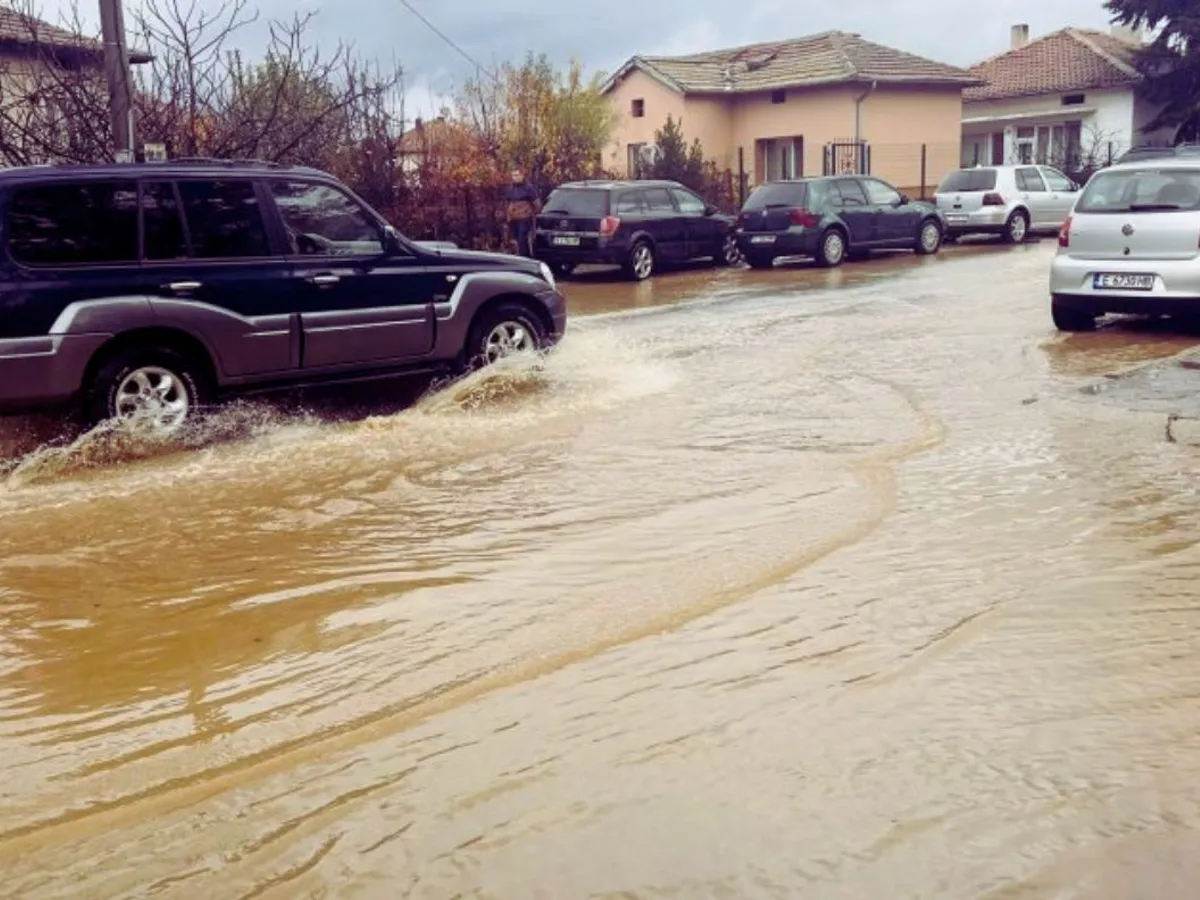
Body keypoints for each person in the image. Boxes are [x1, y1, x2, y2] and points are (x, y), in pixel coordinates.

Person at [504, 170, 539, 257]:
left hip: (524, 219)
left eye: (517, 175)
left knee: (522, 239)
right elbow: (508, 203)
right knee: (516, 240)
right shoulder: (510, 189)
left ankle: (524, 257)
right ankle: (524, 256)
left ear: (522, 176)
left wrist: (533, 214)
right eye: (513, 175)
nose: (515, 177)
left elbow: (537, 203)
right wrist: (508, 216)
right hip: (513, 219)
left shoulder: (528, 188)